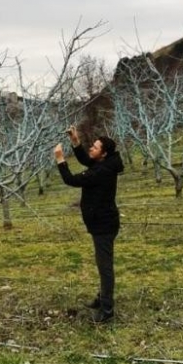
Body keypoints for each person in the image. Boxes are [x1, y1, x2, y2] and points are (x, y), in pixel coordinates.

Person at [54, 126, 124, 323]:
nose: (91, 149)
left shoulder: (101, 172)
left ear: (104, 154)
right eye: (92, 146)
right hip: (102, 222)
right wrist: (76, 141)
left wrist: (60, 159)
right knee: (103, 264)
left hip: (104, 225)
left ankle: (107, 310)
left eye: (94, 147)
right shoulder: (105, 163)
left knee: (105, 267)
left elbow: (70, 179)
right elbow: (86, 160)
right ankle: (103, 298)